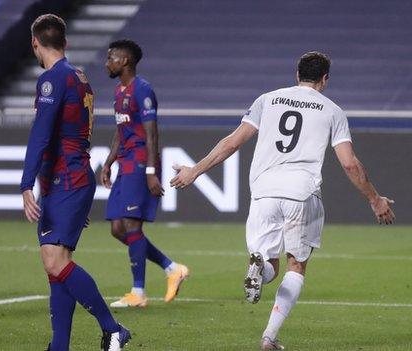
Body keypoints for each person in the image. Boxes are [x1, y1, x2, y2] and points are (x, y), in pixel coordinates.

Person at [170, 51, 395, 350]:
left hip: (263, 190)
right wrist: (374, 198)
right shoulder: (332, 111)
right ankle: (269, 338)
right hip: (301, 192)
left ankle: (258, 271)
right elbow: (350, 164)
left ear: (296, 74)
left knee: (269, 263)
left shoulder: (267, 99)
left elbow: (232, 142)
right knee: (296, 265)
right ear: (325, 79)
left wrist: (195, 170)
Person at [21, 14, 130, 351]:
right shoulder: (80, 77)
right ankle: (59, 345)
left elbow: (42, 135)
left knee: (56, 262)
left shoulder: (52, 80)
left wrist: (26, 184)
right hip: (72, 177)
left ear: (35, 44)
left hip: (64, 177)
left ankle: (113, 328)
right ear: (65, 43)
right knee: (56, 264)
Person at [101, 39, 188, 308]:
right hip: (125, 162)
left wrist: (151, 171)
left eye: (111, 58)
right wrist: (107, 162)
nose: (107, 63)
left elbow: (152, 133)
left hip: (140, 162)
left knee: (131, 225)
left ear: (124, 61)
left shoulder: (143, 90)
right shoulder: (119, 92)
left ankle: (138, 293)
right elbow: (120, 131)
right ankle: (172, 268)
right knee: (118, 229)